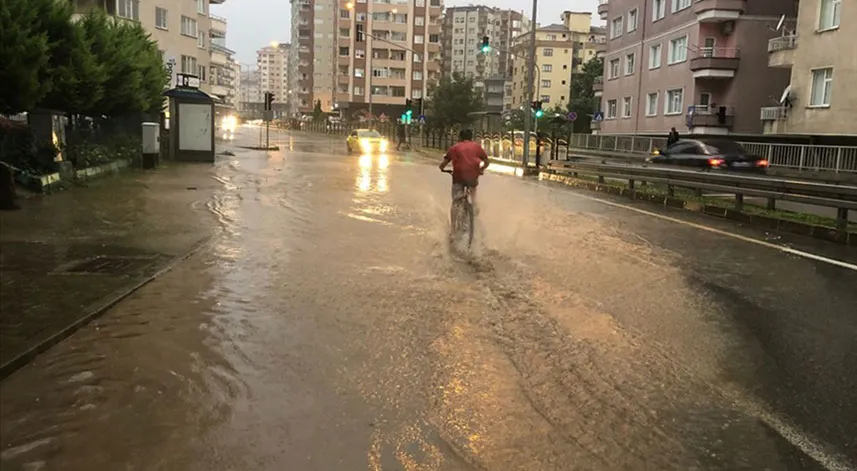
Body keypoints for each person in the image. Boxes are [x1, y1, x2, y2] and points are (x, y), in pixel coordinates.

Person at [439, 128, 489, 209]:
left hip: (458, 177)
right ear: (471, 137)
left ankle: (455, 215)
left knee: (456, 199)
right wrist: (481, 170)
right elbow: (487, 162)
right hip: (472, 176)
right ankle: (474, 207)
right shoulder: (477, 147)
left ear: (460, 137)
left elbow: (443, 164)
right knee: (473, 191)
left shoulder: (454, 148)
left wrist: (442, 168)